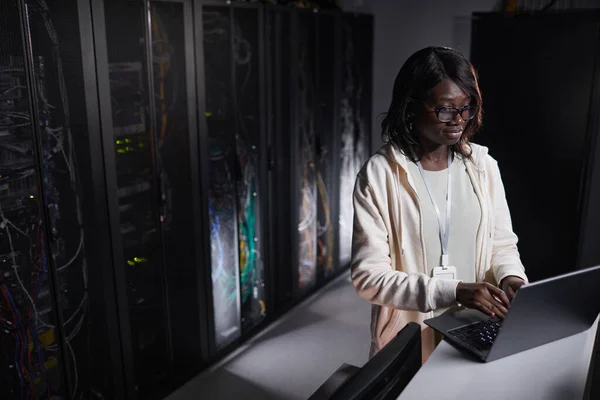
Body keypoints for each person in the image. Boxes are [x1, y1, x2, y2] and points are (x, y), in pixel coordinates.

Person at [350, 46, 529, 363]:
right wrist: (454, 290)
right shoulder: (379, 175)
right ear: (411, 106)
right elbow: (368, 278)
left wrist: (511, 278)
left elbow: (502, 243)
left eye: (467, 107)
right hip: (410, 338)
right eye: (446, 109)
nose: (459, 120)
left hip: (478, 330)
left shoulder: (483, 167)